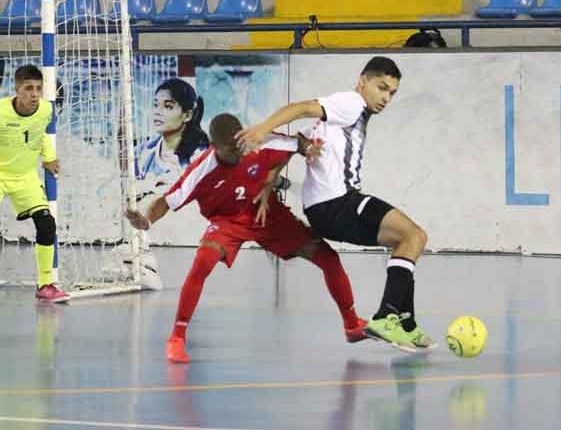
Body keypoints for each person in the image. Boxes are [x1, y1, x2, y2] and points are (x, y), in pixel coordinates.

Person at [125, 113, 367, 363]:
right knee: (202, 263)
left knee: (328, 257)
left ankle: (352, 325)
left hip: (266, 214)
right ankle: (176, 337)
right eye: (230, 148)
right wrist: (147, 221)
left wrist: (304, 154)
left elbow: (297, 144)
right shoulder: (202, 170)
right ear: (214, 147)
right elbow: (167, 201)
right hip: (228, 221)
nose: (239, 152)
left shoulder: (259, 142)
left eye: (240, 143)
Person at [235, 56, 435, 351]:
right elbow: (300, 108)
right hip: (339, 203)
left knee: (406, 243)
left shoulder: (334, 122)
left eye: (392, 93)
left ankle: (406, 325)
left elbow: (295, 144)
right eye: (381, 87)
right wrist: (263, 129)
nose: (386, 98)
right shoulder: (350, 103)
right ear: (362, 81)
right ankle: (386, 317)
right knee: (414, 235)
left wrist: (269, 183)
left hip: (325, 211)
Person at [0, 65, 68, 302]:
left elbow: (42, 134)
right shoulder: (0, 112)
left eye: (38, 88)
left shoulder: (46, 110)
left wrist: (48, 157)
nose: (34, 94)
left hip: (25, 177)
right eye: (28, 88)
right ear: (16, 90)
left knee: (47, 225)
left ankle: (45, 284)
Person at [135, 78, 209, 195]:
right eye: (155, 105)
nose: (157, 112)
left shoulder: (201, 157)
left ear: (188, 115)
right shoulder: (142, 152)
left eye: (168, 106)